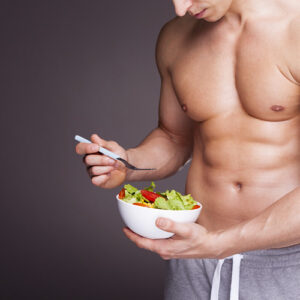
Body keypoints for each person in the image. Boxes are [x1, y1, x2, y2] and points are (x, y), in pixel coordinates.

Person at [76, 0, 300, 298]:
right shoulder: (176, 36)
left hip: (286, 265)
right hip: (194, 258)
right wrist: (128, 162)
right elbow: (173, 137)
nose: (181, 7)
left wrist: (223, 243)